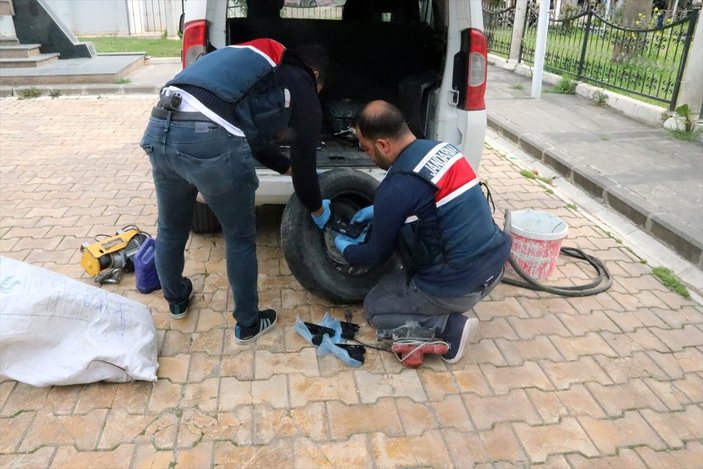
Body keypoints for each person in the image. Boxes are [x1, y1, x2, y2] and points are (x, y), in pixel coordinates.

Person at [140, 38, 331, 345]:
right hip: (208, 137)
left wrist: (285, 167)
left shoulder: (244, 62)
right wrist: (319, 209)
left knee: (171, 227)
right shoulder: (301, 80)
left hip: (160, 124)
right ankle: (248, 323)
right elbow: (307, 171)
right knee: (239, 236)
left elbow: (245, 131)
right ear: (317, 75)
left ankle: (176, 299)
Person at [333, 100, 512, 363]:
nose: (366, 153)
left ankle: (448, 327)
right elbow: (427, 201)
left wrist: (344, 247)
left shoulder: (396, 187)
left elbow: (374, 254)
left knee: (375, 308)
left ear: (383, 145)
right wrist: (379, 211)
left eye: (366, 147)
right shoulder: (444, 149)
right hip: (494, 267)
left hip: (459, 287)